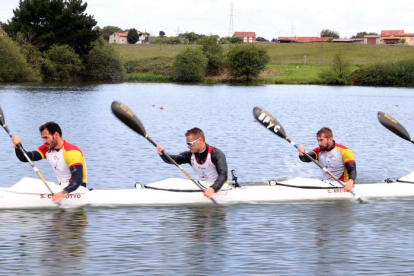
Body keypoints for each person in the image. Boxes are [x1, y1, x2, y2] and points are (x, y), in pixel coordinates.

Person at [11, 122, 87, 203]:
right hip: (62, 187)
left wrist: (63, 193)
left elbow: (77, 180)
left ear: (56, 135)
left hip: (77, 189)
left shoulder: (71, 152)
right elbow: (25, 158)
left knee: (28, 182)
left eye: (46, 138)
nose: (44, 142)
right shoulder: (47, 149)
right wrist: (18, 146)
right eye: (43, 138)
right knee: (26, 181)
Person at [156, 127, 228, 198]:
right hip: (203, 186)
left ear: (200, 140)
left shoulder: (216, 154)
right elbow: (174, 160)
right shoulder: (190, 155)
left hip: (219, 188)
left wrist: (213, 189)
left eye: (190, 144)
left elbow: (223, 175)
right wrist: (163, 154)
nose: (188, 147)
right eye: (187, 144)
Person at [297, 127, 356, 192]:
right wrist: (301, 154)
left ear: (330, 139)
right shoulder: (318, 151)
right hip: (327, 184)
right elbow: (306, 158)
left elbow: (352, 169)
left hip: (343, 186)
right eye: (318, 140)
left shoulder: (344, 151)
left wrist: (350, 182)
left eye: (321, 140)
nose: (319, 143)